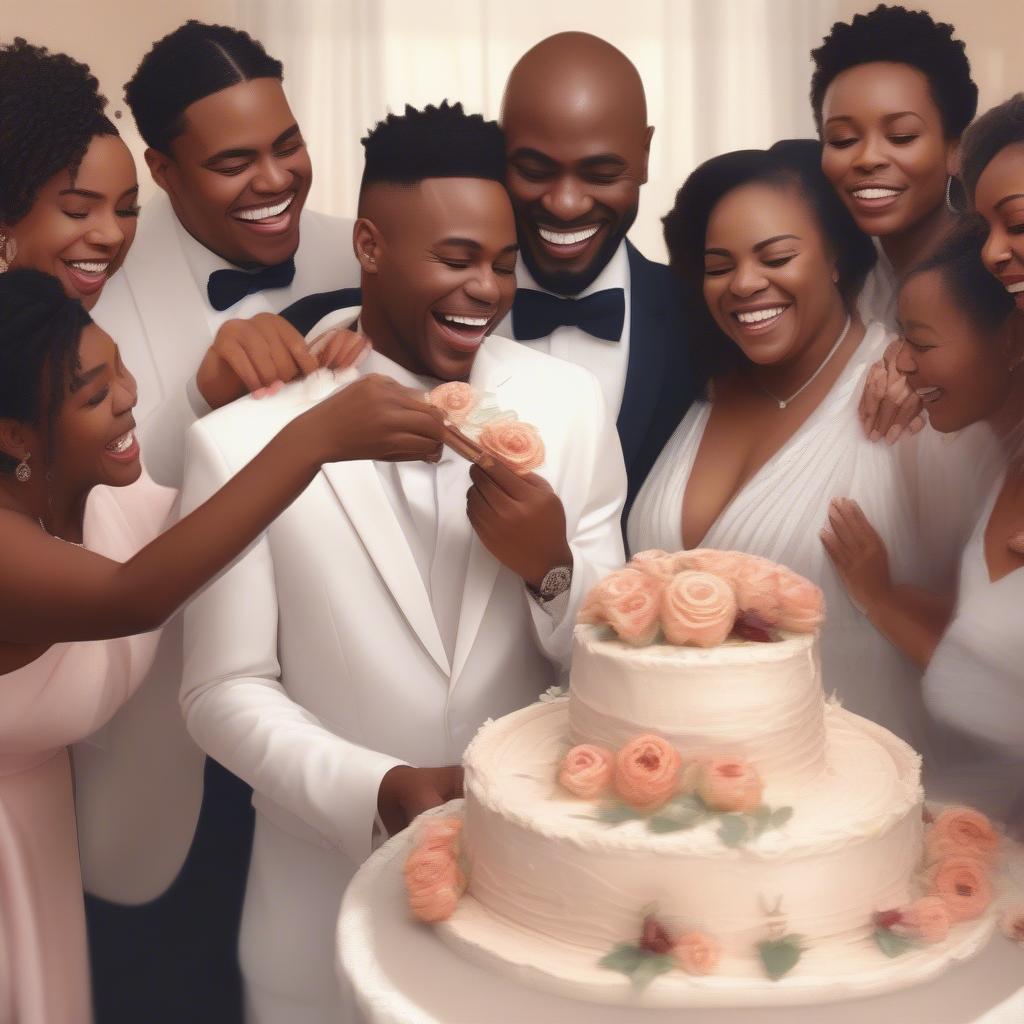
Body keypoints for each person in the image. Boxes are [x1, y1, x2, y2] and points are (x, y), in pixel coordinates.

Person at [179, 101, 626, 1023]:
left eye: (503, 265)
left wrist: (551, 574)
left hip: (534, 916)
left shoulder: (573, 407)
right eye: (457, 260)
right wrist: (373, 791)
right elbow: (220, 691)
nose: (487, 291)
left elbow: (611, 671)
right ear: (373, 246)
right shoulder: (243, 439)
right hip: (316, 919)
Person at [0, 268, 439, 1024]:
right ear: (15, 436)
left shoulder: (105, 499)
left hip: (40, 830)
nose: (129, 397)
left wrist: (303, 377)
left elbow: (200, 526)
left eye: (122, 367)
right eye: (94, 395)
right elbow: (135, 594)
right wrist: (312, 438)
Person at [280, 33, 696, 511]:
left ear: (644, 156)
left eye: (601, 174)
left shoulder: (705, 319)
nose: (565, 205)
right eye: (535, 170)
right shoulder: (320, 326)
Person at [628, 140, 946, 750]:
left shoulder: (909, 398)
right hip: (686, 789)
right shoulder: (699, 386)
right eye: (719, 266)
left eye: (776, 256)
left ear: (834, 257)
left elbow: (986, 636)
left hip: (854, 800)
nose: (744, 284)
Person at [821, 219, 1023, 829]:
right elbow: (989, 662)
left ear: (1012, 340)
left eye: (921, 342)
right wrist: (880, 598)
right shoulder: (995, 461)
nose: (899, 365)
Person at [811, 3, 978, 440]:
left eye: (901, 136)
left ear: (955, 150)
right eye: (842, 139)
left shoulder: (1000, 281)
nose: (866, 159)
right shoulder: (834, 284)